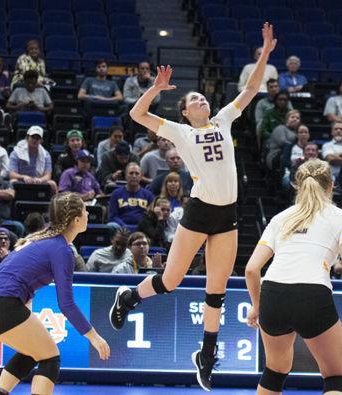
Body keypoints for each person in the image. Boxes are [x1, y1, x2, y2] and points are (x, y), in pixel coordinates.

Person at [108, 23, 278, 391]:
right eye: (194, 100)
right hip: (199, 211)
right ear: (185, 112)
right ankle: (129, 295)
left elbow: (250, 89)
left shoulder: (223, 119)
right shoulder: (180, 132)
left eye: (203, 97)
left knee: (217, 291)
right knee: (171, 280)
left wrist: (264, 53)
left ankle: (205, 354)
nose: (202, 101)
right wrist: (154, 89)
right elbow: (137, 116)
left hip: (228, 214)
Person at [244, 159, 342, 395]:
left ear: (297, 187)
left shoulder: (281, 218)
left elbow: (251, 269)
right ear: (331, 186)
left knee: (274, 372)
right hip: (312, 293)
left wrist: (257, 307)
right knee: (336, 378)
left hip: (273, 292)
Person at [0, 193, 110, 395]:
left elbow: (14, 276)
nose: (88, 213)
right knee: (50, 358)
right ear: (76, 219)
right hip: (2, 304)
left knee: (32, 352)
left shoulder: (39, 240)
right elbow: (66, 304)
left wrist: (25, 307)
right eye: (84, 209)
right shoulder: (62, 250)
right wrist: (93, 337)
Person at [9, 125, 57, 195]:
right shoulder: (16, 153)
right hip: (21, 180)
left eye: (38, 138)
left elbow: (48, 175)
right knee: (12, 181)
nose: (35, 140)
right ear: (27, 138)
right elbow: (12, 174)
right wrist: (23, 177)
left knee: (52, 183)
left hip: (38, 181)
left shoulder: (46, 155)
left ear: (41, 141)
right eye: (33, 137)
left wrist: (41, 180)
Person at [107, 163, 154, 229]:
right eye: (131, 173)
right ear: (126, 176)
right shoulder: (116, 193)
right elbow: (113, 216)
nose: (134, 176)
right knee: (111, 225)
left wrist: (142, 226)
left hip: (142, 228)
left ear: (141, 177)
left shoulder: (148, 195)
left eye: (137, 173)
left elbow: (151, 216)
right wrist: (124, 226)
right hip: (121, 229)